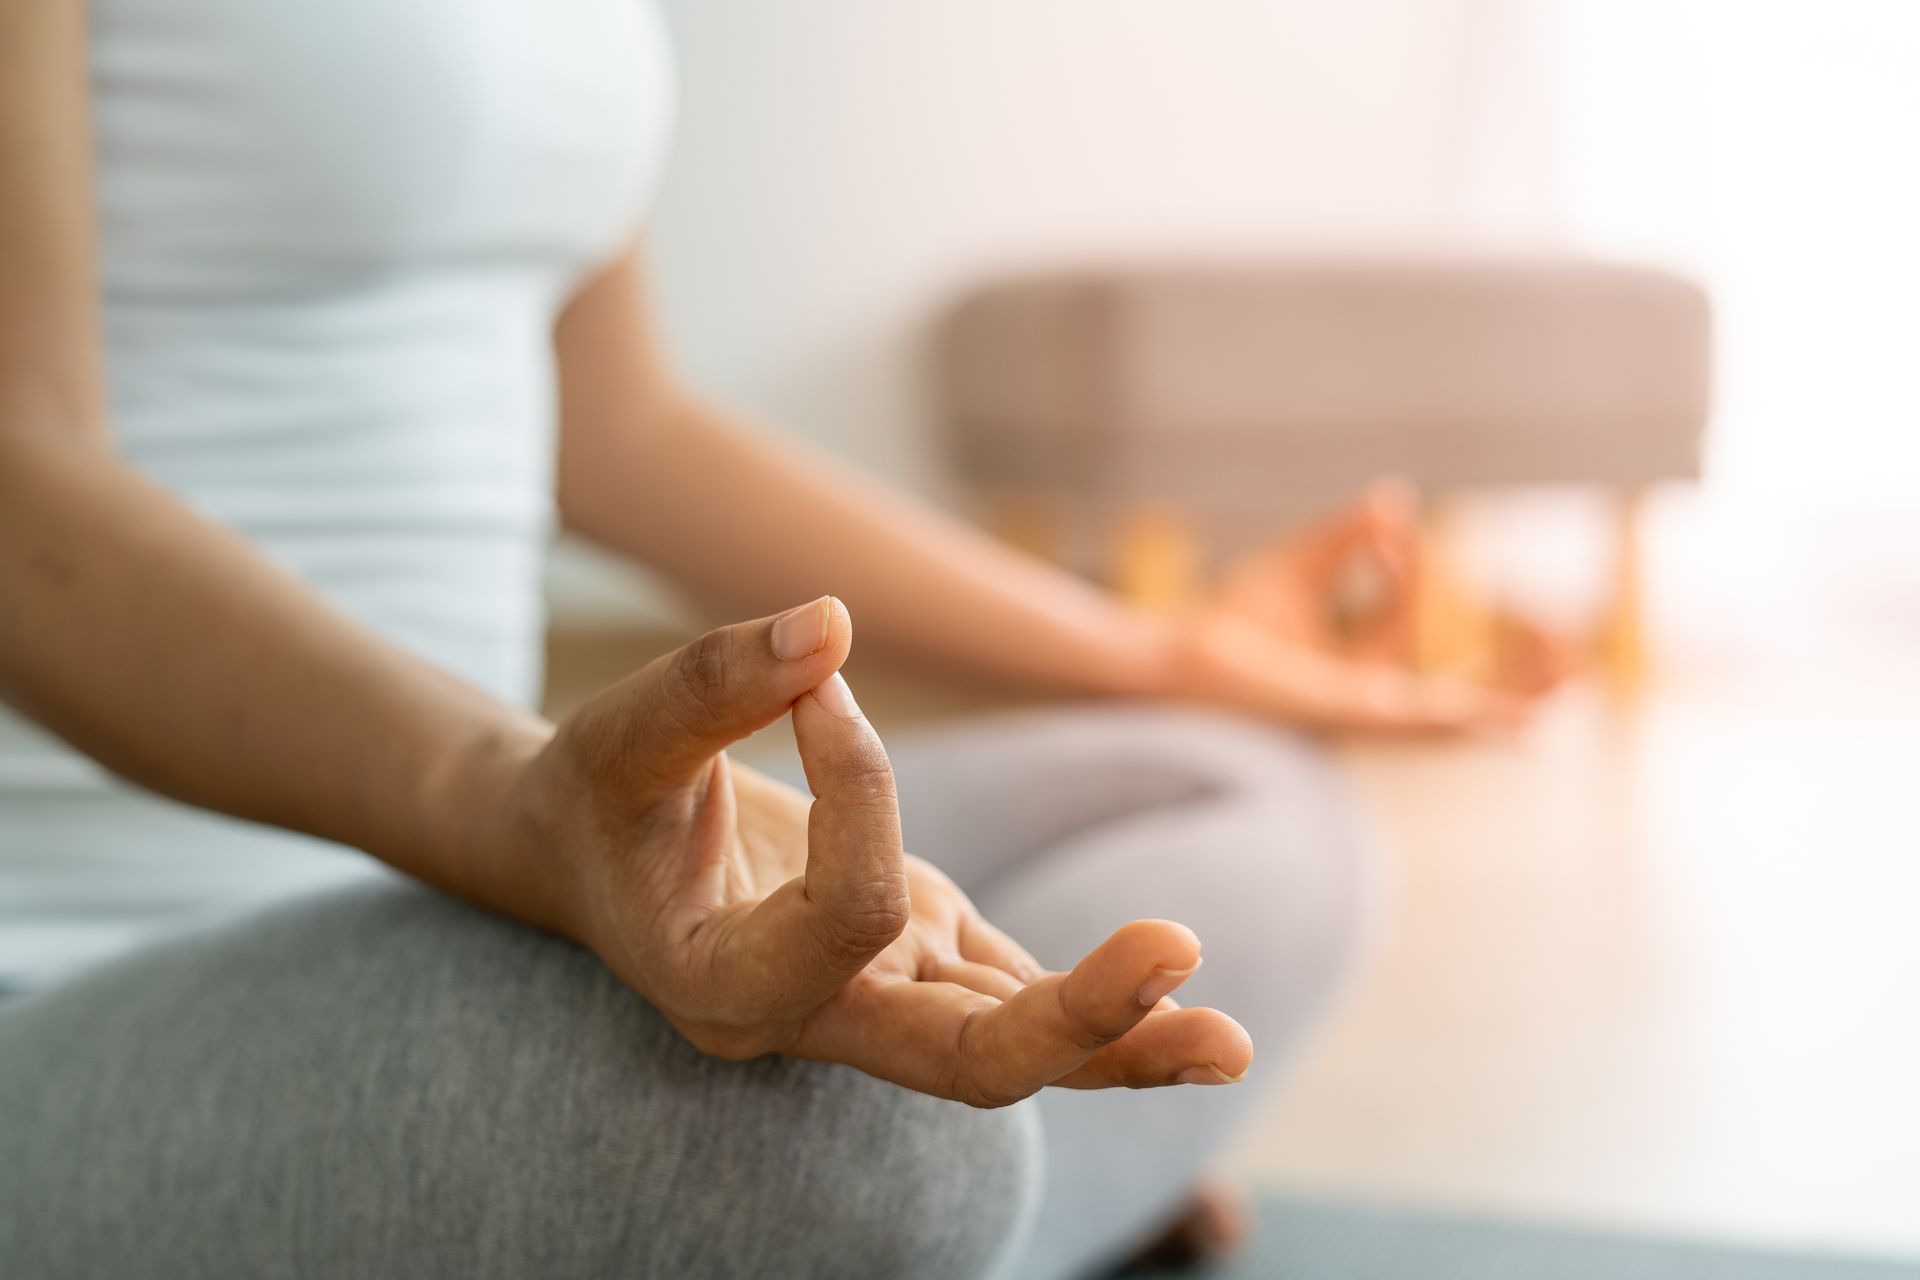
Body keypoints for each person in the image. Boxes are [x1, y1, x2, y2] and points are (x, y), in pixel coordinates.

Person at [0, 2, 1556, 1277]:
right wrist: (518, 805)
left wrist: (1154, 652)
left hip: (448, 895)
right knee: (872, 1144)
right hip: (79, 962)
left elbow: (621, 426)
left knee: (1240, 809)